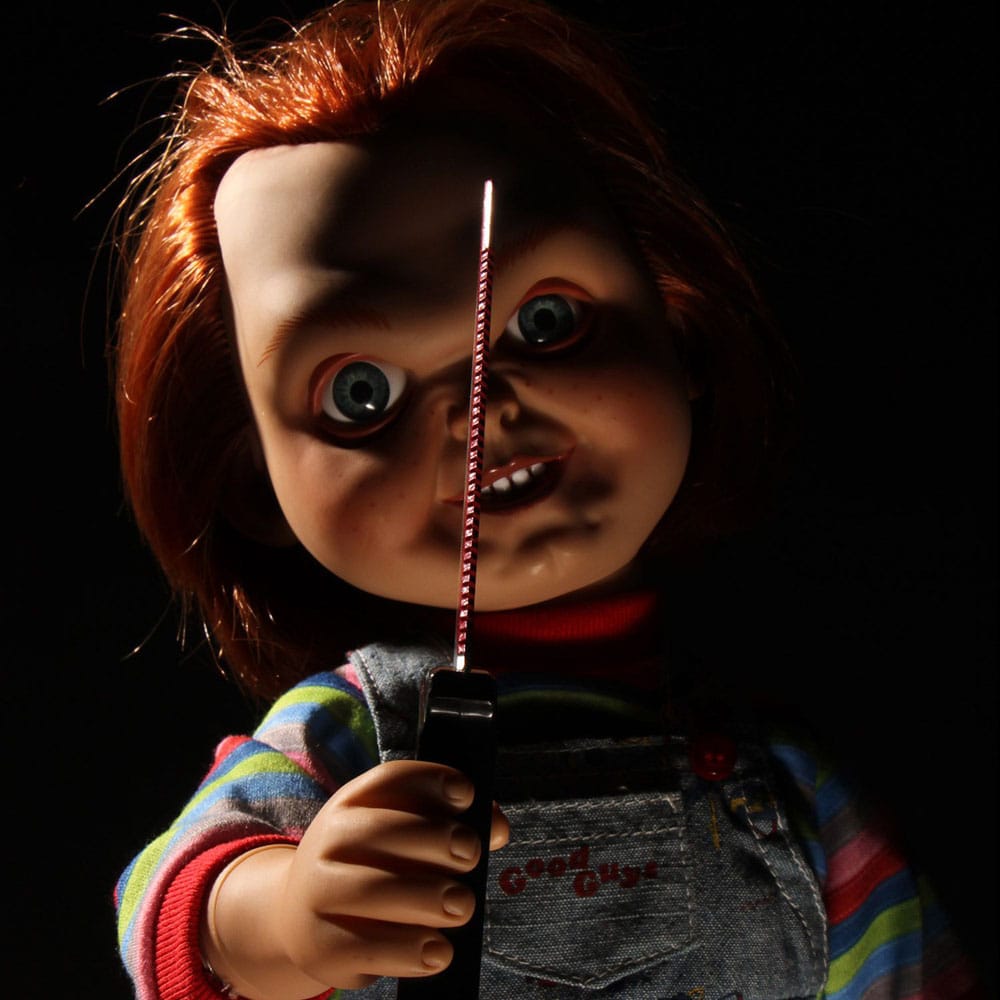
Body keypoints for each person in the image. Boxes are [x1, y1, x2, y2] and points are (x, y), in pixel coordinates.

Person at [112, 1, 979, 997]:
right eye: (362, 394)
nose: (481, 408)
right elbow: (166, 900)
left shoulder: (785, 778)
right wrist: (284, 914)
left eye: (546, 321)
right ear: (252, 478)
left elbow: (902, 971)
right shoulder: (352, 735)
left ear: (679, 327)